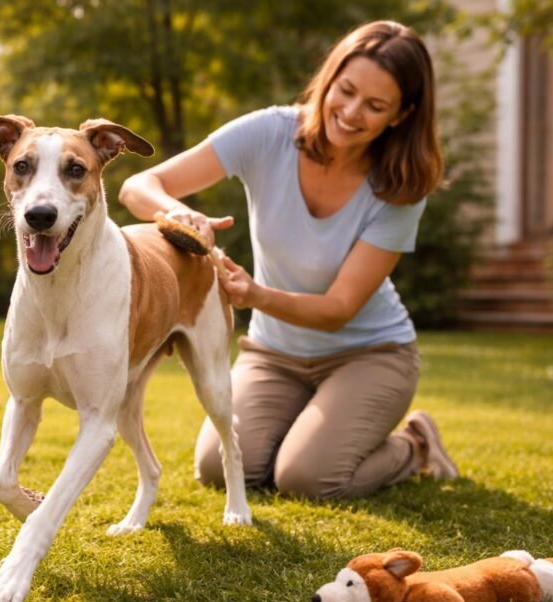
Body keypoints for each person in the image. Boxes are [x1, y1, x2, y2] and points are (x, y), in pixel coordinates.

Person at [118, 20, 459, 499]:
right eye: (345, 90)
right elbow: (138, 186)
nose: (351, 112)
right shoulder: (270, 133)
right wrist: (180, 212)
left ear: (400, 116)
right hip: (275, 355)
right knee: (220, 466)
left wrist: (255, 295)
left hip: (368, 354)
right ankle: (313, 423)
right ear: (330, 77)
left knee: (308, 478)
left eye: (375, 106)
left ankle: (416, 445)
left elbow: (339, 308)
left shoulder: (400, 183)